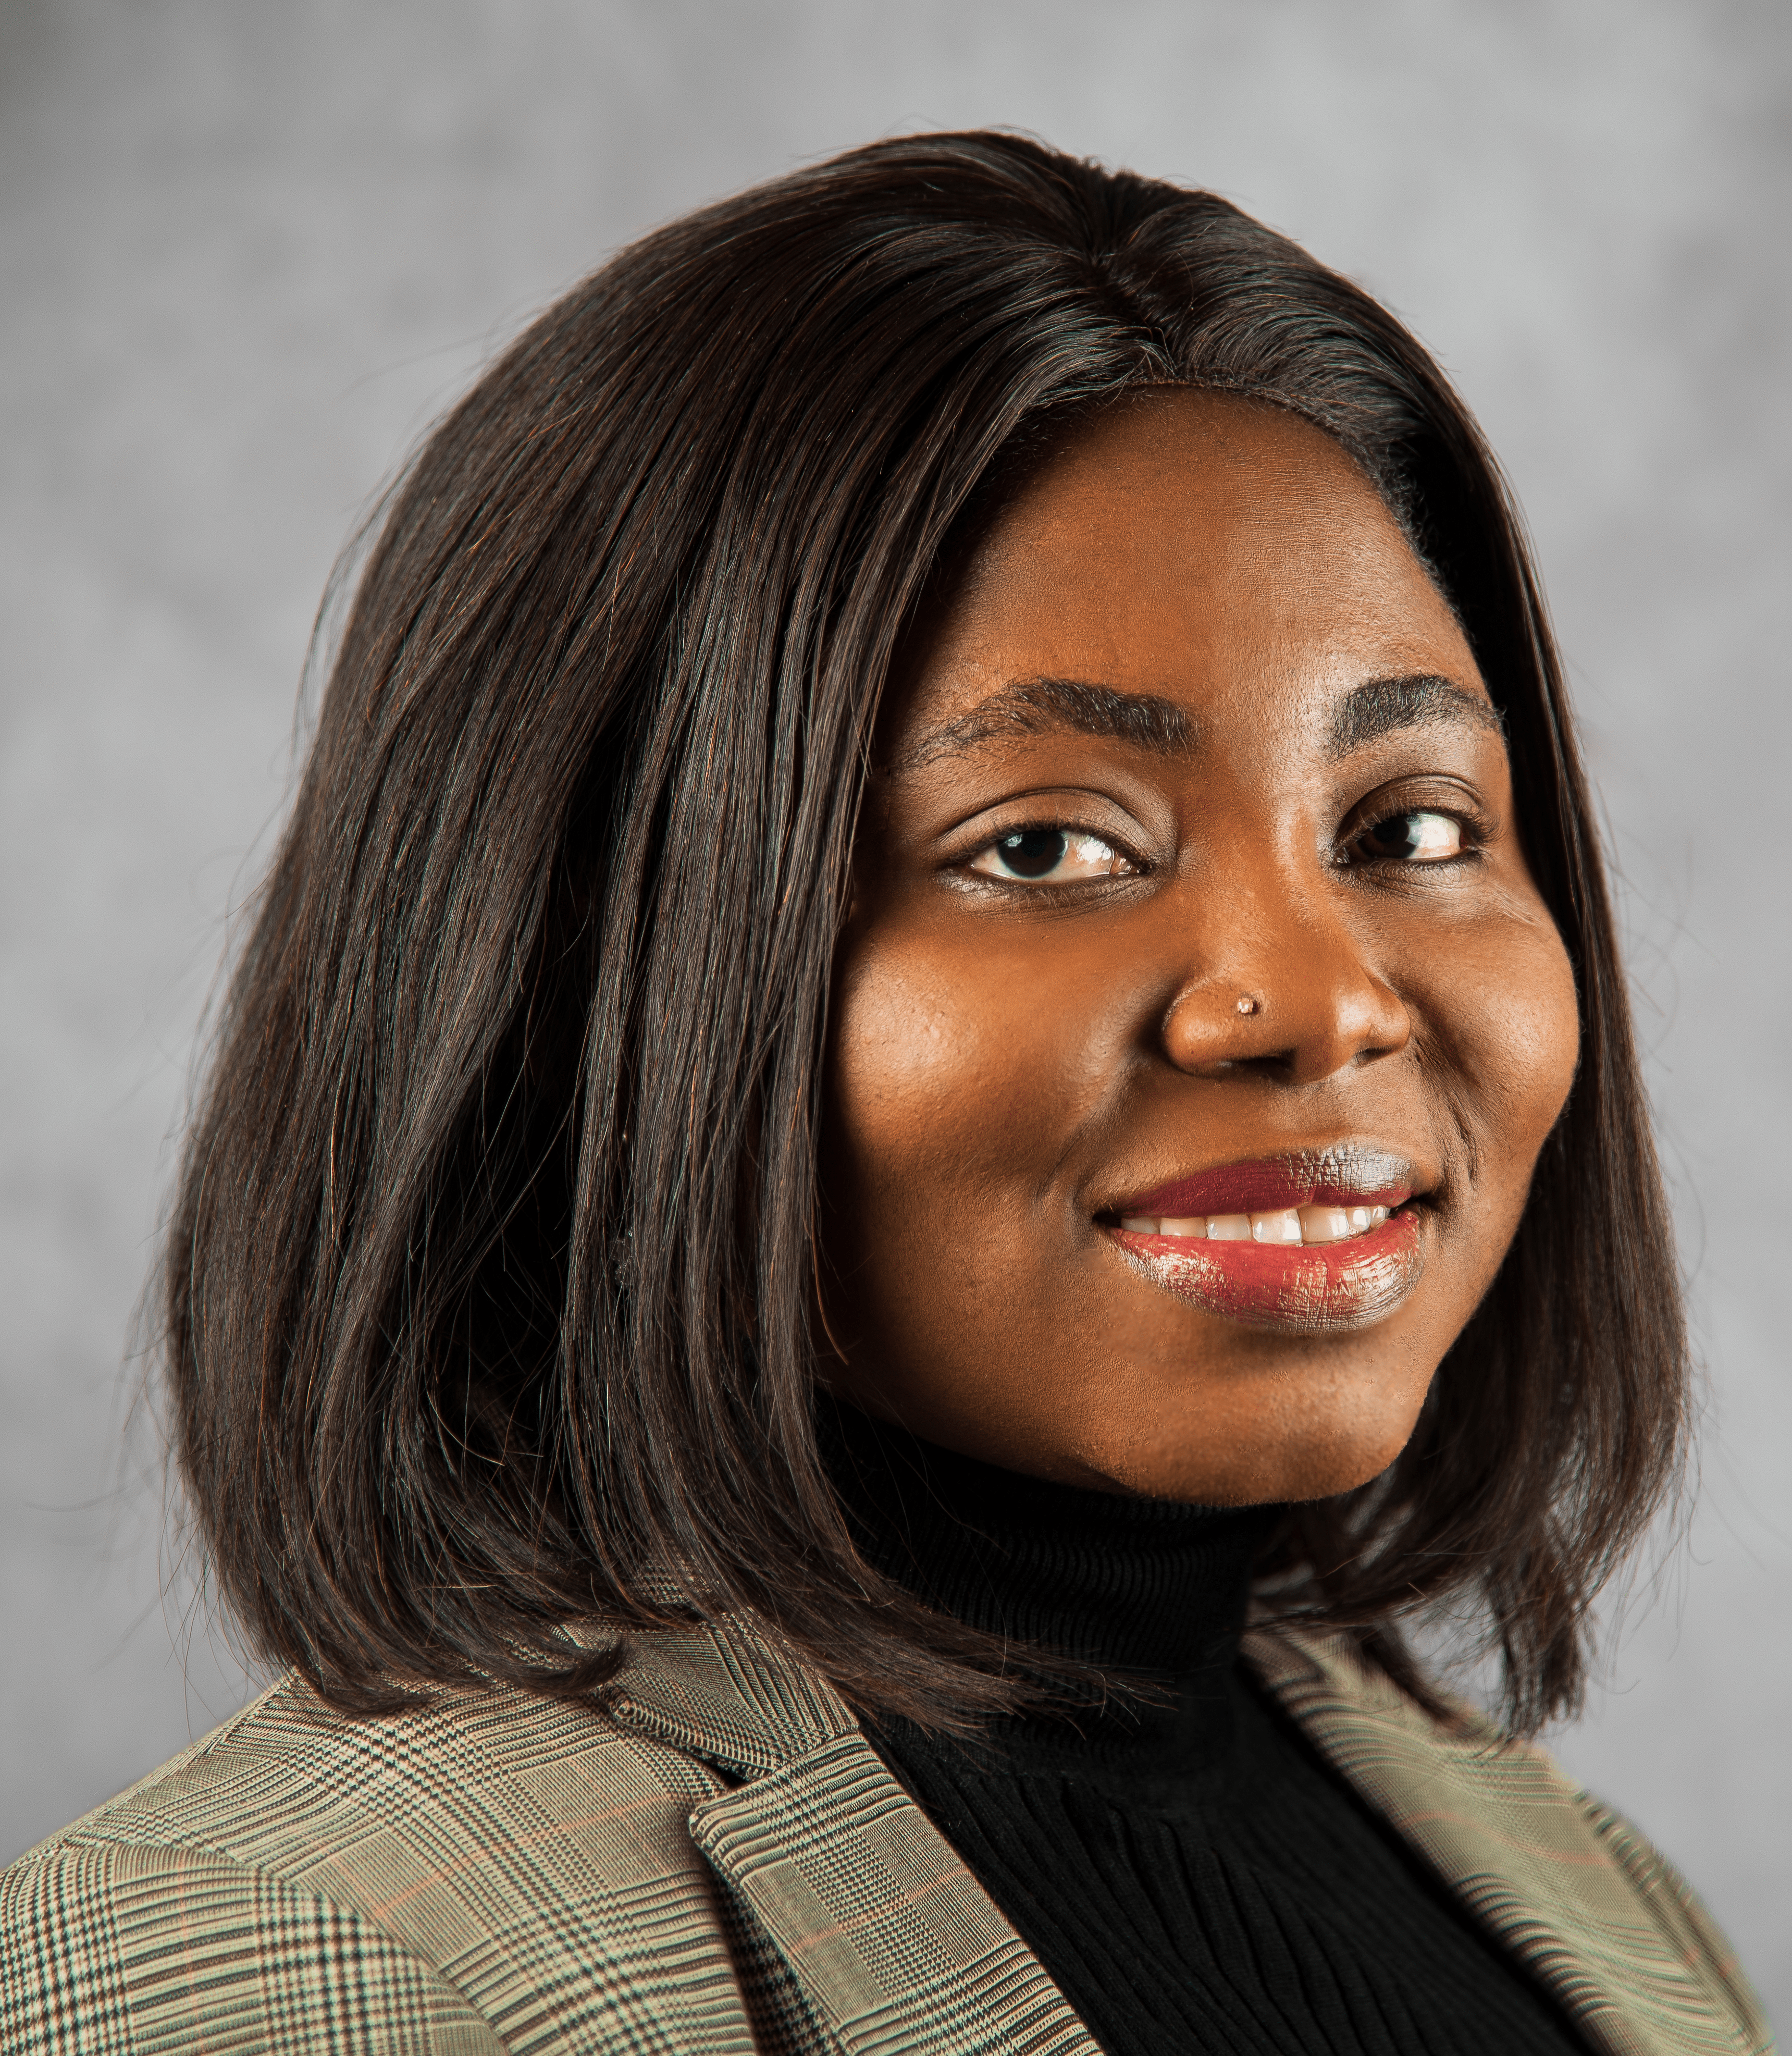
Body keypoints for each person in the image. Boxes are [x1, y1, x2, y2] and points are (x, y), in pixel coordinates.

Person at [0, 131, 1769, 2055]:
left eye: (1410, 824)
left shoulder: (1574, 1893)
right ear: (590, 974)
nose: (1323, 1001)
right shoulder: (306, 1966)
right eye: (1041, 849)